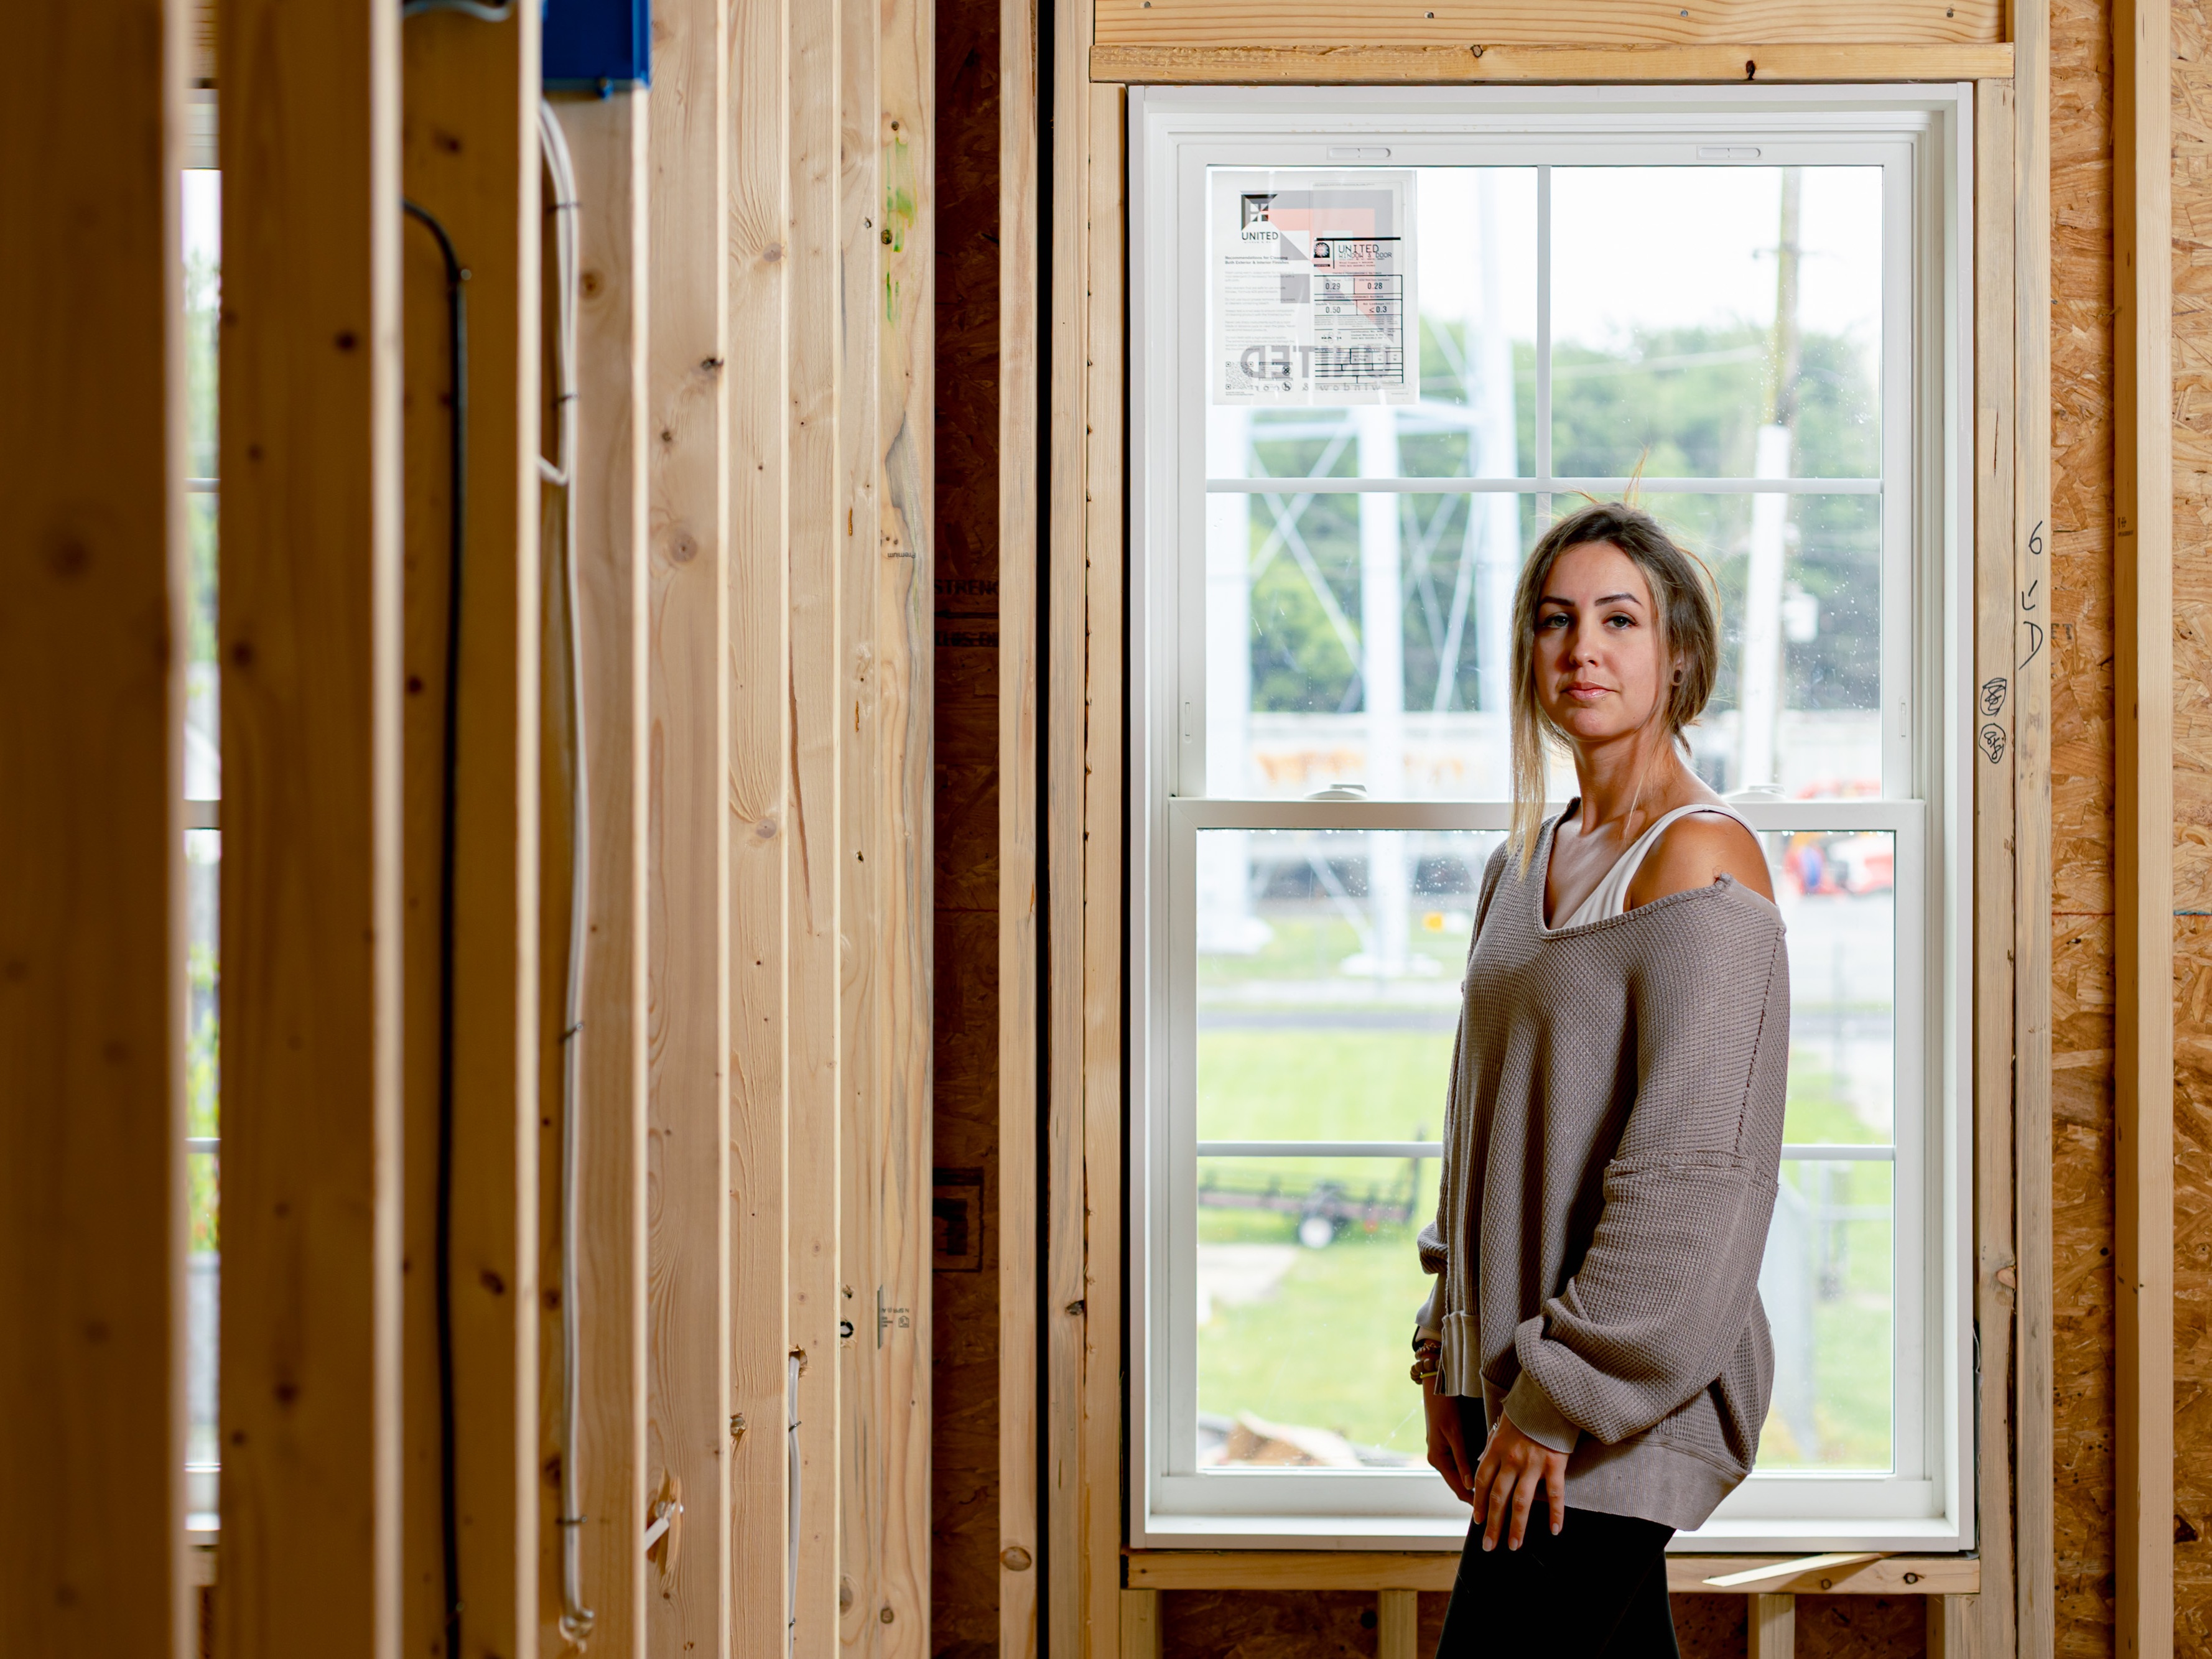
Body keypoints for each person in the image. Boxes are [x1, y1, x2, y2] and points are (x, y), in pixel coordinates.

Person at [1413, 501, 1790, 1656]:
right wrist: (1443, 1342)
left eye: (1619, 619)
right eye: (1557, 620)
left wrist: (1559, 1399)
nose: (1585, 649)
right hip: (1515, 1379)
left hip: (1614, 1400)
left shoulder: (1700, 857)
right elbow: (1476, 1124)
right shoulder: (1522, 860)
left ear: (1677, 654)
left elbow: (1695, 1177)